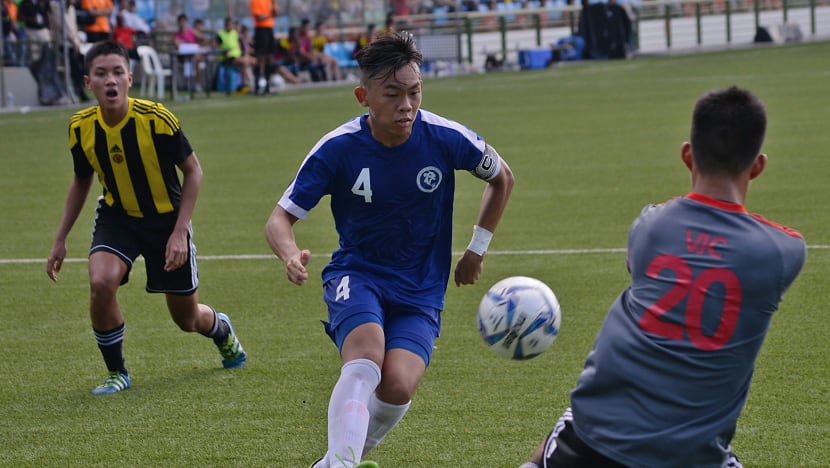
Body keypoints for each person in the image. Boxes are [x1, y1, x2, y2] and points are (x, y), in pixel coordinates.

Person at [520, 86, 806, 468]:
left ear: (687, 155)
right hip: (691, 456)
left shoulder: (650, 226)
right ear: (758, 166)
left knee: (560, 436)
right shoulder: (782, 252)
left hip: (593, 445)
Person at [265, 31, 514, 467]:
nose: (407, 105)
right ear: (364, 96)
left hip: (421, 286)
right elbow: (279, 218)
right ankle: (342, 464)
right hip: (357, 273)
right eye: (393, 94)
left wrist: (476, 249)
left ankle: (335, 462)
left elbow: (502, 178)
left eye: (414, 92)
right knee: (366, 356)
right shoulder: (338, 148)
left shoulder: (444, 136)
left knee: (398, 384)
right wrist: (289, 254)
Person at [46, 40, 247, 396]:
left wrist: (179, 233)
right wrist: (60, 238)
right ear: (87, 82)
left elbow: (194, 172)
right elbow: (81, 179)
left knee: (186, 319)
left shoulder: (157, 120)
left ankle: (221, 329)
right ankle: (117, 372)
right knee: (101, 283)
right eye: (101, 73)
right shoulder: (80, 128)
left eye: (118, 72)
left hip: (167, 221)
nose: (111, 80)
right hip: (117, 217)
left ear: (130, 78)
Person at [49, 0, 90, 102]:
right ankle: (79, 91)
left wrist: (78, 40)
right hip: (63, 44)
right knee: (74, 65)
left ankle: (79, 88)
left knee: (85, 63)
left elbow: (74, 26)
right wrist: (74, 42)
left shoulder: (72, 9)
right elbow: (61, 28)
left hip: (74, 44)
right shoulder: (57, 8)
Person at [214, 16, 255, 94]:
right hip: (227, 57)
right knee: (244, 62)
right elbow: (215, 46)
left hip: (237, 56)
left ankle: (255, 84)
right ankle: (243, 85)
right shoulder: (220, 34)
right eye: (228, 25)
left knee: (254, 61)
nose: (230, 26)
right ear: (225, 25)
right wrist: (223, 51)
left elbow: (240, 46)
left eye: (231, 24)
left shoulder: (235, 33)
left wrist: (246, 54)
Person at [250, 0, 278, 94]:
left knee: (269, 58)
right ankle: (257, 86)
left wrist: (274, 6)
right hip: (261, 30)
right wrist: (270, 15)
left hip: (269, 29)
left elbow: (276, 13)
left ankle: (267, 86)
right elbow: (259, 18)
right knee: (260, 58)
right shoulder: (255, 1)